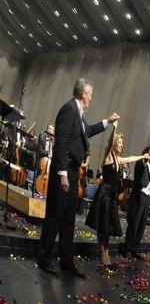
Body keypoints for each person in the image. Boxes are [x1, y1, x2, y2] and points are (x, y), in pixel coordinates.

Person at [36, 78, 119, 278]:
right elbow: (61, 143)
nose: (92, 97)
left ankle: (66, 261)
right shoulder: (69, 110)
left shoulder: (79, 115)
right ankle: (44, 258)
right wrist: (63, 174)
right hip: (63, 172)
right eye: (90, 94)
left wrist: (108, 121)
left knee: (68, 219)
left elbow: (88, 131)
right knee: (55, 216)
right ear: (83, 94)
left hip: (74, 173)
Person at [85, 124, 150, 269]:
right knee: (103, 226)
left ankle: (106, 254)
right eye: (119, 142)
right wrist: (114, 127)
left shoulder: (118, 159)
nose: (122, 144)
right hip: (104, 195)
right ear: (114, 143)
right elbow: (109, 141)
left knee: (108, 227)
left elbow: (131, 158)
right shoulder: (109, 156)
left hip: (112, 196)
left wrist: (143, 156)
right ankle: (103, 254)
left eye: (122, 143)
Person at [121, 145, 150, 259]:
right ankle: (126, 248)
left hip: (146, 199)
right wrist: (144, 157)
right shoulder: (141, 164)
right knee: (134, 224)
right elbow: (142, 169)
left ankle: (134, 249)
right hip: (138, 196)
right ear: (146, 153)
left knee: (141, 225)